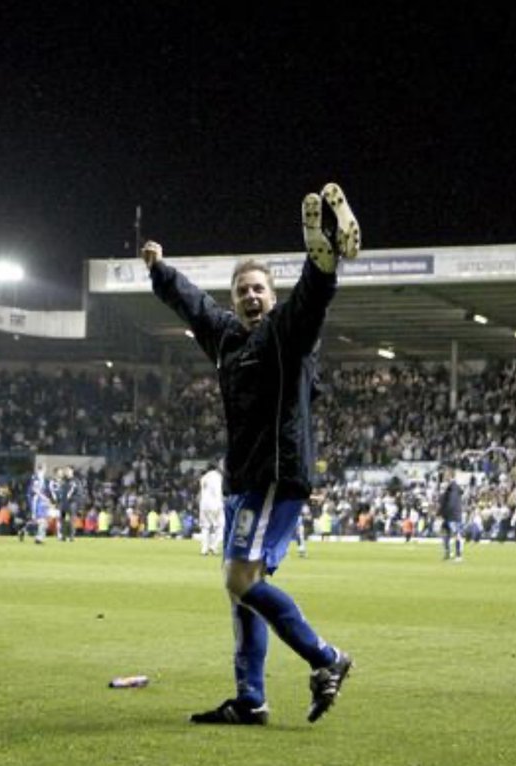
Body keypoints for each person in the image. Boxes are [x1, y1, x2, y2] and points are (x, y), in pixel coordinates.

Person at [143, 181, 359, 726]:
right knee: (242, 590)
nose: (250, 296)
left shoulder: (286, 334)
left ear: (272, 295)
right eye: (242, 290)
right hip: (244, 479)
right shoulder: (227, 339)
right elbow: (194, 306)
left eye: (259, 288)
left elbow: (312, 302)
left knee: (240, 580)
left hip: (275, 474)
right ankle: (251, 699)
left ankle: (327, 658)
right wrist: (160, 270)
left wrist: (321, 265)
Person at [199, 462, 224, 556]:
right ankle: (214, 546)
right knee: (221, 527)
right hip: (215, 504)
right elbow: (218, 491)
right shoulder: (216, 477)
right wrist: (221, 503)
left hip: (204, 505)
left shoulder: (204, 478)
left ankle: (204, 549)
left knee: (205, 527)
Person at [439, 471, 464, 562]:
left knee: (456, 534)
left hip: (453, 515)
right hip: (447, 515)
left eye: (447, 475)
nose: (445, 477)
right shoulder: (448, 487)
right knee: (445, 533)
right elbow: (443, 501)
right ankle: (448, 552)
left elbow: (452, 502)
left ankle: (458, 555)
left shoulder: (454, 487)